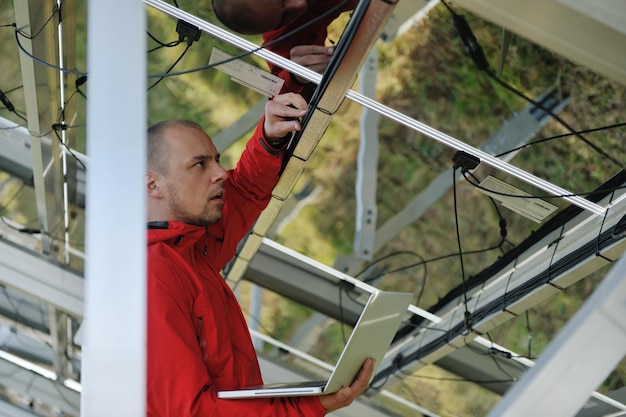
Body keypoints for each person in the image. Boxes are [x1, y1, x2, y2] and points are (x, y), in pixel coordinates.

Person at [146, 92, 375, 416]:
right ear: (152, 185)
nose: (220, 172)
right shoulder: (153, 277)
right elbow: (193, 411)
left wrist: (269, 138)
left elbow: (244, 192)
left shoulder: (191, 248)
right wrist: (312, 406)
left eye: (216, 159)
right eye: (199, 164)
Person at [212, 0, 357, 100]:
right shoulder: (282, 38)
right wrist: (296, 77)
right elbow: (280, 94)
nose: (300, 4)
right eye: (285, 18)